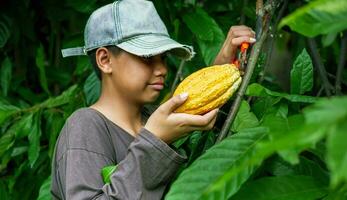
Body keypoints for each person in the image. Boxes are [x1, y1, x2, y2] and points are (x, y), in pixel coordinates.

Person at [51, 0, 256, 199]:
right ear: (105, 60)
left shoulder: (155, 119)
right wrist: (155, 141)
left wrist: (220, 72)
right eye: (147, 57)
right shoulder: (86, 125)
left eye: (164, 58)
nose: (163, 70)